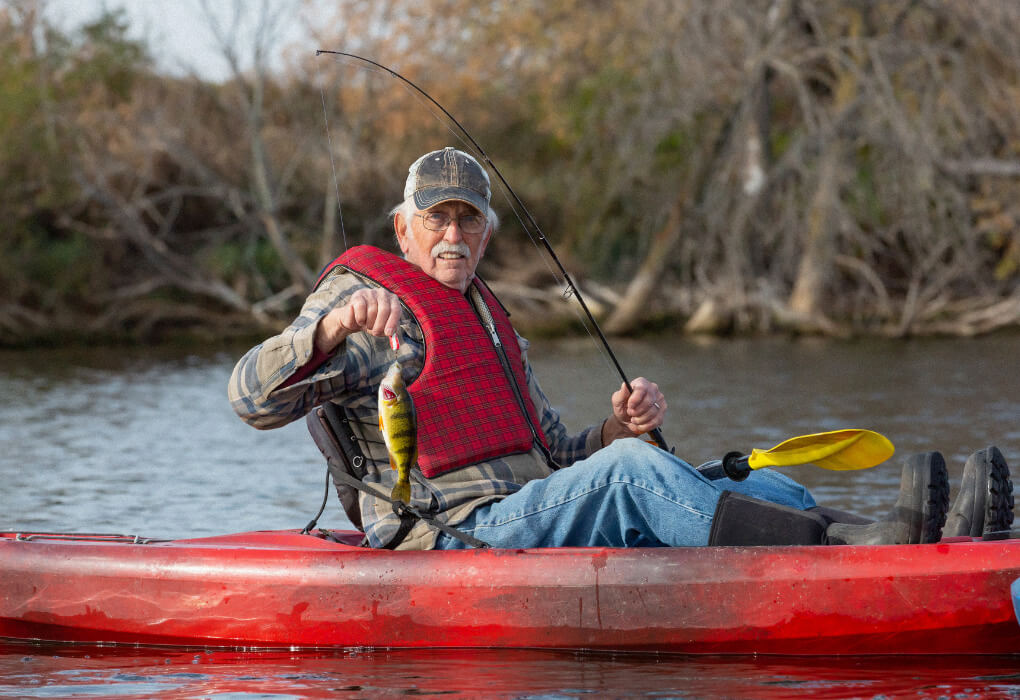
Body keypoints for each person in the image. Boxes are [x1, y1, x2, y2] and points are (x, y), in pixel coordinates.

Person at [228, 147, 1013, 550]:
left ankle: (910, 541)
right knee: (640, 478)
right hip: (446, 535)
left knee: (736, 478)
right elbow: (249, 399)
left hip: (525, 512)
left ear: (489, 233)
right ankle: (874, 551)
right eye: (436, 219)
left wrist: (612, 433)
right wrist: (323, 331)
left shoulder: (494, 324)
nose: (453, 235)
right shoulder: (371, 310)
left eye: (469, 220)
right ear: (405, 228)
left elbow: (562, 457)